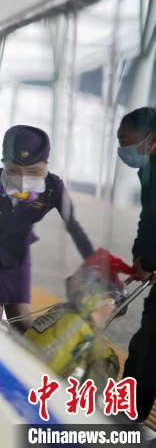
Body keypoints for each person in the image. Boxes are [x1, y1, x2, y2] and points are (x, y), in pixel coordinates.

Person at [0, 125, 94, 331]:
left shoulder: (52, 188)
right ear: (4, 162)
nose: (23, 178)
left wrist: (97, 264)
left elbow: (74, 226)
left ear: (45, 165)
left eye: (33, 171)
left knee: (23, 321)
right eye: (14, 170)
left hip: (16, 258)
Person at [117, 107, 156, 422]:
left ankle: (128, 417)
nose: (123, 150)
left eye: (126, 140)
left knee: (147, 350)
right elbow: (149, 218)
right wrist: (139, 258)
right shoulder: (149, 169)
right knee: (145, 345)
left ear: (151, 137)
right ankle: (128, 414)